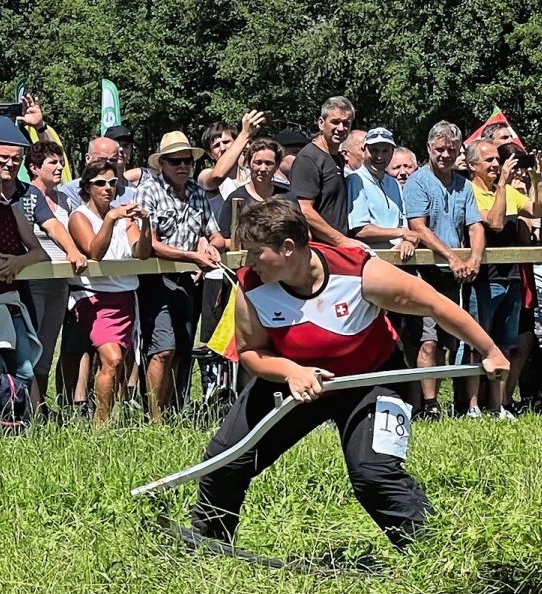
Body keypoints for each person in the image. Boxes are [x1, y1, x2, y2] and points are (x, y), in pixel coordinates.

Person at [190, 198, 509, 549]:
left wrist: (490, 351)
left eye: (255, 252)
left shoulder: (359, 272)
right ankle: (210, 542)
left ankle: (432, 551)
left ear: (288, 248)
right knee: (225, 459)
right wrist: (290, 371)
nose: (248, 262)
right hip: (298, 384)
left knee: (373, 475)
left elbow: (435, 303)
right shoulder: (251, 287)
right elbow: (251, 352)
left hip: (371, 382)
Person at [134, 131, 225, 421]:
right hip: (155, 279)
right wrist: (192, 256)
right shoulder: (149, 190)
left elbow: (216, 235)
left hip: (187, 280)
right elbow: (149, 244)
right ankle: (154, 417)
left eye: (187, 161)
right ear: (162, 164)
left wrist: (209, 245)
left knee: (183, 349)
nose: (183, 166)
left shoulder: (198, 192)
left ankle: (174, 411)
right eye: (175, 161)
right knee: (163, 348)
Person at [403, 121, 485, 420]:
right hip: (426, 273)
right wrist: (452, 257)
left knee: (456, 339)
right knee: (429, 339)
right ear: (428, 149)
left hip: (457, 275)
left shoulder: (464, 184)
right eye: (439, 149)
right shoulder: (418, 182)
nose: (445, 155)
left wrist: (475, 257)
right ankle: (429, 404)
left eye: (451, 149)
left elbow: (475, 224)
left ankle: (461, 402)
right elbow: (418, 227)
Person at [464, 140, 542, 418]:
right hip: (484, 279)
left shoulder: (510, 191)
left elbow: (539, 210)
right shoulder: (471, 191)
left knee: (505, 344)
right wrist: (501, 185)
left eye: (496, 160)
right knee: (478, 343)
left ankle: (498, 405)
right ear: (473, 165)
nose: (495, 164)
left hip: (511, 276)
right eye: (487, 160)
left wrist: (536, 178)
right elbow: (496, 223)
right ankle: (473, 406)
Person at [68, 161, 152, 425]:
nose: (108, 188)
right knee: (113, 359)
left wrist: (146, 223)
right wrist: (111, 219)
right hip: (94, 296)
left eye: (113, 183)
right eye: (100, 183)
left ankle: (108, 417)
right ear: (87, 187)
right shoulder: (80, 217)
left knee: (119, 364)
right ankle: (100, 424)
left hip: (126, 296)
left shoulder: (124, 217)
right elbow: (95, 251)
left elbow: (141, 252)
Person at [0, 162, 47, 400]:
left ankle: (20, 418)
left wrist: (19, 261)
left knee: (24, 369)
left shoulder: (11, 213)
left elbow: (38, 252)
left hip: (8, 300)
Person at [24, 141, 88, 401]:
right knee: (32, 345)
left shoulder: (64, 198)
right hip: (32, 281)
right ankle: (26, 407)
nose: (60, 166)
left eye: (61, 161)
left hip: (61, 283)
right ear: (34, 168)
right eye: (53, 162)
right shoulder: (25, 196)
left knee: (49, 346)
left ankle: (40, 407)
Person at [289, 96, 357, 244]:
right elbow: (305, 210)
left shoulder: (337, 158)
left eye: (346, 123)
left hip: (338, 247)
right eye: (335, 122)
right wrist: (341, 241)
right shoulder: (308, 159)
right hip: (320, 249)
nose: (341, 128)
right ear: (321, 123)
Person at [346, 128, 418, 255]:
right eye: (374, 150)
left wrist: (407, 242)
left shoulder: (394, 183)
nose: (379, 156)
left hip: (399, 259)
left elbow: (403, 224)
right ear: (364, 150)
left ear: (391, 153)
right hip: (371, 260)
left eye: (385, 151)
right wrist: (400, 233)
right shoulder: (355, 180)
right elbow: (361, 231)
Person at [197, 113, 267, 217]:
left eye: (226, 142)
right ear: (210, 154)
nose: (222, 148)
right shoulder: (204, 176)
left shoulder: (251, 174)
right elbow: (217, 176)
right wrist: (244, 134)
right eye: (216, 145)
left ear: (237, 144)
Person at [61, 137, 135, 209]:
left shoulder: (130, 195)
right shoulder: (70, 191)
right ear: (88, 158)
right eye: (102, 159)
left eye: (113, 160)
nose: (107, 164)